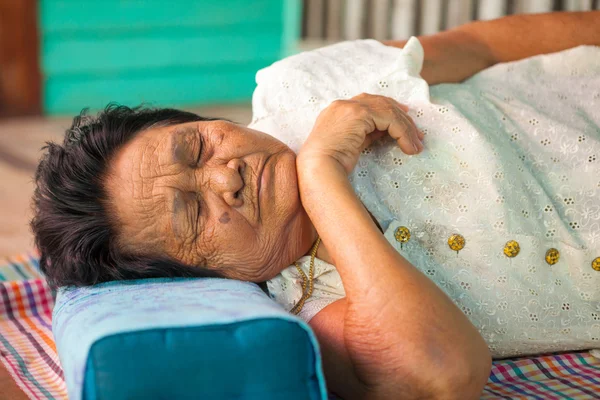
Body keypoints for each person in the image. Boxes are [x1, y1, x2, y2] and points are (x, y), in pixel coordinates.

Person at [31, 11, 600, 400]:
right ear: (194, 273)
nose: (225, 175)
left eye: (199, 145)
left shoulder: (298, 88)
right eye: (194, 212)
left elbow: (479, 46)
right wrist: (321, 177)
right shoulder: (315, 310)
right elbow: (442, 374)